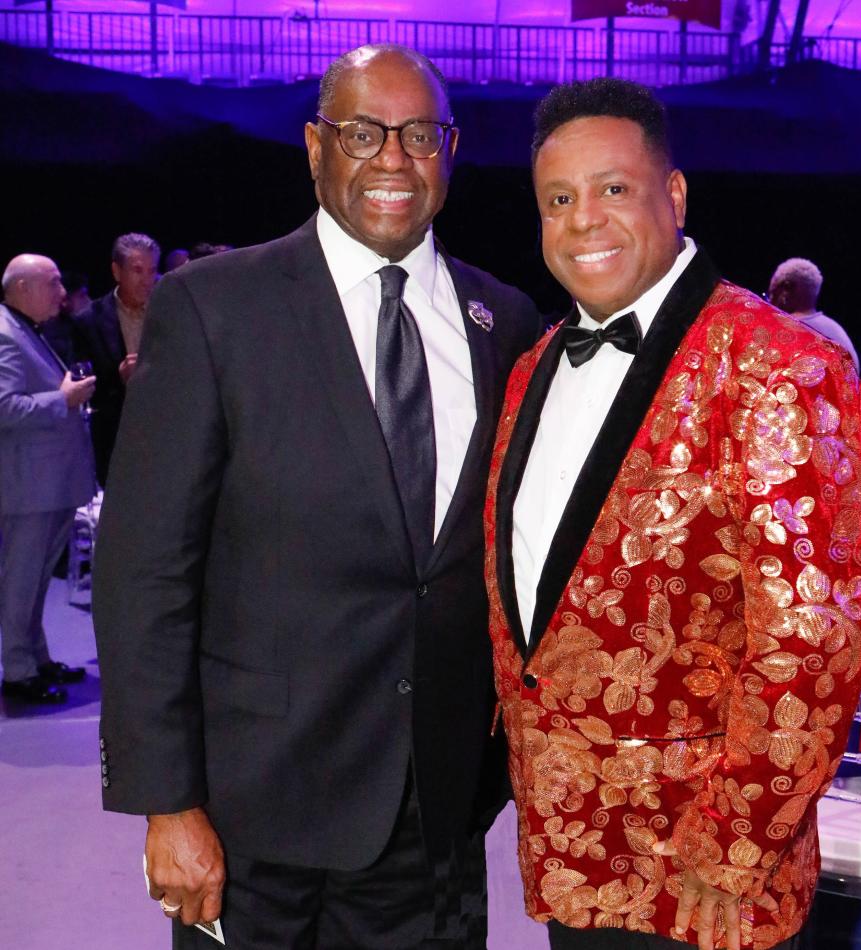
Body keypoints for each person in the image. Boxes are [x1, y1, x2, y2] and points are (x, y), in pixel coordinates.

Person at [93, 44, 540, 949]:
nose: (392, 158)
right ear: (313, 146)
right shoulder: (214, 307)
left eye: (419, 134)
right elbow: (143, 570)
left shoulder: (507, 322)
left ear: (448, 151)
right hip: (255, 816)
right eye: (362, 132)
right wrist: (165, 800)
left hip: (436, 821)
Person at [484, 78, 861, 950]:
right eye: (559, 199)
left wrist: (733, 849)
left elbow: (818, 641)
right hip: (571, 858)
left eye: (612, 189)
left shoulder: (777, 364)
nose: (583, 218)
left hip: (706, 883)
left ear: (674, 197)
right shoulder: (533, 369)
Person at [0, 254, 96, 704]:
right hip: (28, 488)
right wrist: (64, 400)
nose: (62, 293)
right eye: (53, 283)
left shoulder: (24, 331)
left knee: (35, 581)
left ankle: (36, 657)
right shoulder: (5, 335)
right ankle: (19, 672)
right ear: (22, 287)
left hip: (44, 484)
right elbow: (6, 409)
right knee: (22, 581)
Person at [73, 232, 160, 484]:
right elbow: (83, 392)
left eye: (152, 270)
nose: (147, 280)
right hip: (117, 444)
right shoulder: (88, 321)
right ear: (116, 271)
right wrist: (119, 378)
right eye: (137, 270)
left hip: (170, 435)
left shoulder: (171, 312)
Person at [767, 257, 859, 371]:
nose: (769, 302)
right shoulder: (837, 329)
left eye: (771, 294)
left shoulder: (787, 330)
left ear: (786, 287)